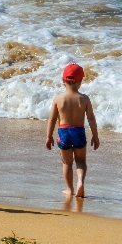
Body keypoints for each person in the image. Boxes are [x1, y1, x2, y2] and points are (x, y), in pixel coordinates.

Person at [45, 63, 100, 198]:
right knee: (80, 161)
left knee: (67, 163)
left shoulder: (58, 99)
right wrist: (95, 136)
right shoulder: (84, 99)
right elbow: (91, 119)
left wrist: (49, 136)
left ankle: (70, 189)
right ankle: (80, 181)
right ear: (80, 82)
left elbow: (52, 119)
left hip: (64, 132)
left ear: (63, 80)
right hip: (79, 132)